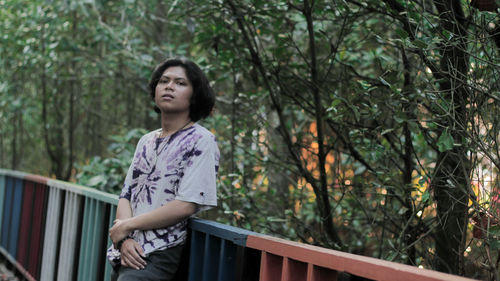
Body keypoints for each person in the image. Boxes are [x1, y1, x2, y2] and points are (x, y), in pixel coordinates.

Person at [107, 57, 219, 281]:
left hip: (160, 250)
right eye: (163, 81)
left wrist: (127, 226)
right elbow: (126, 194)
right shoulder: (146, 140)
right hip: (126, 249)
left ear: (194, 94)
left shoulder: (201, 140)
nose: (169, 86)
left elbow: (187, 204)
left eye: (180, 83)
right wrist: (124, 239)